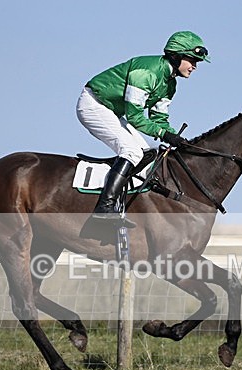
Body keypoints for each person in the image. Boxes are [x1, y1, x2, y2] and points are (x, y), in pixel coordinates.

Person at [76, 31, 210, 225]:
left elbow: (159, 119)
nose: (195, 67)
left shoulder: (170, 85)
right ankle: (104, 208)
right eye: (192, 60)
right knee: (131, 151)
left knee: (147, 154)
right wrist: (164, 135)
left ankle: (118, 203)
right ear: (176, 56)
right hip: (93, 104)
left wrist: (174, 137)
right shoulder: (146, 73)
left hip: (112, 111)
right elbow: (135, 117)